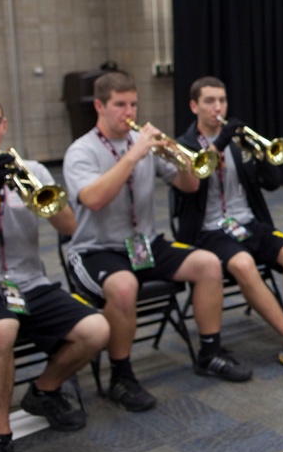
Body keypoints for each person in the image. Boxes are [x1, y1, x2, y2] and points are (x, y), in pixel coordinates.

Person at [63, 72, 252, 414]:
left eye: (133, 103)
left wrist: (180, 160)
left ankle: (209, 353)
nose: (129, 111)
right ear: (99, 106)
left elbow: (190, 187)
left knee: (209, 264)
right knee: (123, 288)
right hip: (96, 249)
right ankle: (121, 376)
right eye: (120, 105)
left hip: (146, 243)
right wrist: (134, 155)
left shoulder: (145, 144)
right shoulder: (82, 151)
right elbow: (93, 199)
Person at [0, 92, 109, 452]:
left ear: (5, 125)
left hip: (31, 283)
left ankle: (43, 390)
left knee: (98, 330)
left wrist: (37, 194)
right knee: (3, 330)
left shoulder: (34, 170)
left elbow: (68, 226)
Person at [173, 77, 283, 373]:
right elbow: (189, 188)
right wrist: (218, 145)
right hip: (208, 231)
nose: (217, 107)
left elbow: (272, 184)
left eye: (222, 100)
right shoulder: (184, 145)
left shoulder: (238, 142)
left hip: (247, 222)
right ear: (194, 106)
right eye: (210, 101)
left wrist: (259, 156)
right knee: (244, 264)